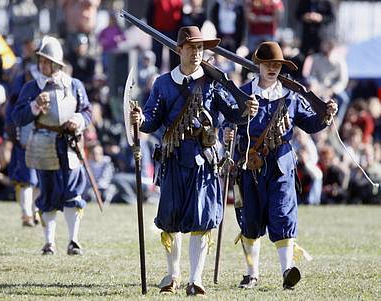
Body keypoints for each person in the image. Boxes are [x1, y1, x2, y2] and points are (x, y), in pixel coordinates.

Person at [130, 26, 258, 296]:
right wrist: (140, 120)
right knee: (170, 220)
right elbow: (152, 120)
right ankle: (172, 274)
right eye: (191, 48)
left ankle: (196, 278)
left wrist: (247, 111)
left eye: (200, 48)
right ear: (179, 50)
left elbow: (232, 114)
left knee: (202, 220)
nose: (197, 53)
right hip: (173, 159)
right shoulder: (163, 83)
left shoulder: (213, 82)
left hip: (204, 160)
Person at [224, 41, 338, 290]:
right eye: (268, 64)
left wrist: (327, 115)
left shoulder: (292, 96)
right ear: (259, 65)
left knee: (283, 215)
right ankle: (251, 273)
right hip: (250, 164)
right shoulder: (243, 92)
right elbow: (229, 121)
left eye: (277, 64)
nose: (273, 68)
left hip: (283, 166)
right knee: (250, 220)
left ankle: (287, 270)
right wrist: (231, 129)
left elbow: (311, 123)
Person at [12, 36, 92, 255]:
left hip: (68, 144)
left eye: (46, 61)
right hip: (42, 144)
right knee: (47, 193)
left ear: (57, 63)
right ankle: (49, 242)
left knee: (72, 192)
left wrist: (79, 120)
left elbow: (87, 111)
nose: (42, 65)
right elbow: (17, 116)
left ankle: (73, 240)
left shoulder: (75, 85)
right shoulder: (31, 88)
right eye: (41, 61)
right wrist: (35, 107)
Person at [5, 63, 40, 227]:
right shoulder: (19, 88)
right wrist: (11, 129)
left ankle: (36, 211)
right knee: (27, 178)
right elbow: (12, 110)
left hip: (42, 135)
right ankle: (26, 213)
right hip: (23, 134)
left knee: (41, 178)